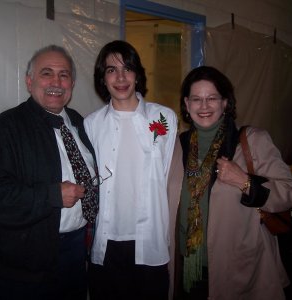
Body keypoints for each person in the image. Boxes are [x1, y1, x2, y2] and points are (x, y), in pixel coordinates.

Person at [0, 44, 98, 300]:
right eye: (46, 73)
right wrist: (51, 195)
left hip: (75, 254)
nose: (56, 82)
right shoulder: (6, 128)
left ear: (71, 84)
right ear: (29, 82)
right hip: (19, 266)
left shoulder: (79, 123)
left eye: (63, 75)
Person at [174, 66, 292, 300]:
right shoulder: (176, 146)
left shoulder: (252, 140)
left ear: (224, 103)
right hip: (186, 267)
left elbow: (290, 192)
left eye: (212, 98)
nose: (204, 106)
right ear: (186, 104)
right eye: (196, 99)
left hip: (238, 268)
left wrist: (245, 182)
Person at [84, 40, 178, 300]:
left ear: (138, 75)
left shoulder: (164, 118)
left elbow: (167, 173)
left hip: (150, 241)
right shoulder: (91, 124)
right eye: (112, 70)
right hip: (106, 243)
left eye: (128, 68)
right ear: (103, 79)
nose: (121, 77)